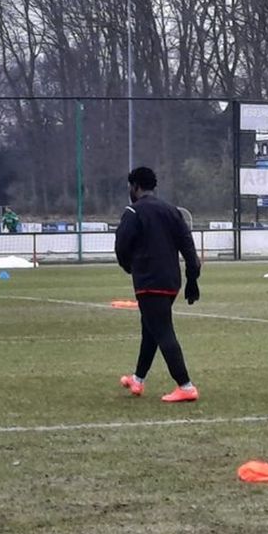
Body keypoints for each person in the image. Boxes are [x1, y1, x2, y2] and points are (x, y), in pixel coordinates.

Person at [114, 167, 201, 403]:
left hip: (149, 282)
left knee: (162, 330)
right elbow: (188, 246)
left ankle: (186, 385)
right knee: (150, 330)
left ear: (135, 187)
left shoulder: (133, 211)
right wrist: (192, 278)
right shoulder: (172, 211)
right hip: (171, 281)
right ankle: (138, 379)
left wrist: (129, 266)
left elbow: (121, 245)